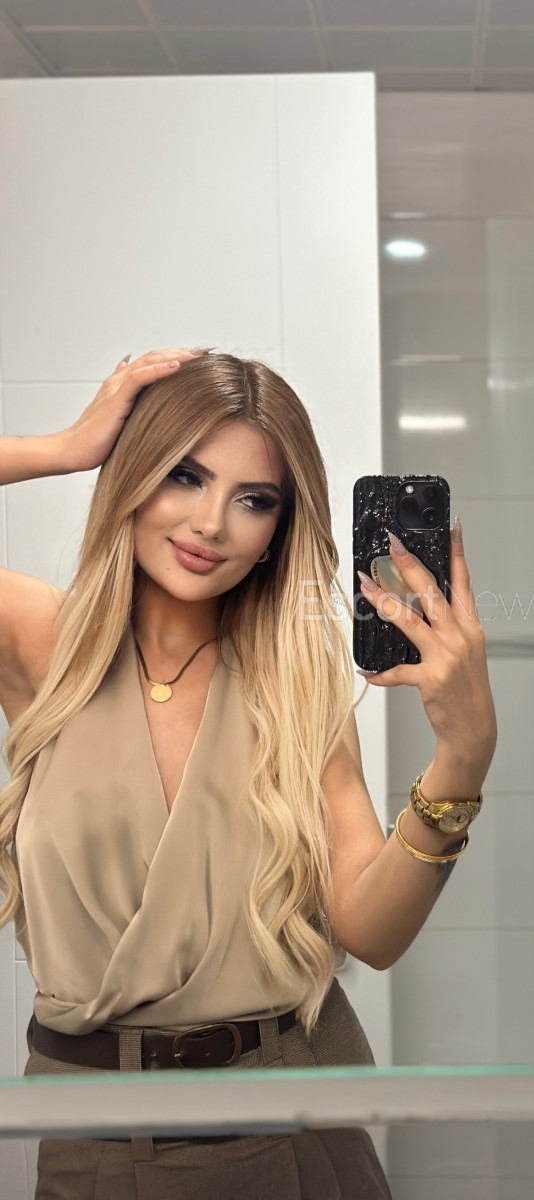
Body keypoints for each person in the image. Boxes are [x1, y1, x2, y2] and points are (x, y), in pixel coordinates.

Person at [0, 347, 498, 1199]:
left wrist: (464, 757)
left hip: (285, 1131)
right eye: (184, 476)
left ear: (277, 531)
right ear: (133, 475)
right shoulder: (43, 641)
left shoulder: (292, 687)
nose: (210, 524)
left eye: (253, 499)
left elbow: (372, 934)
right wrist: (68, 446)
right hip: (87, 1137)